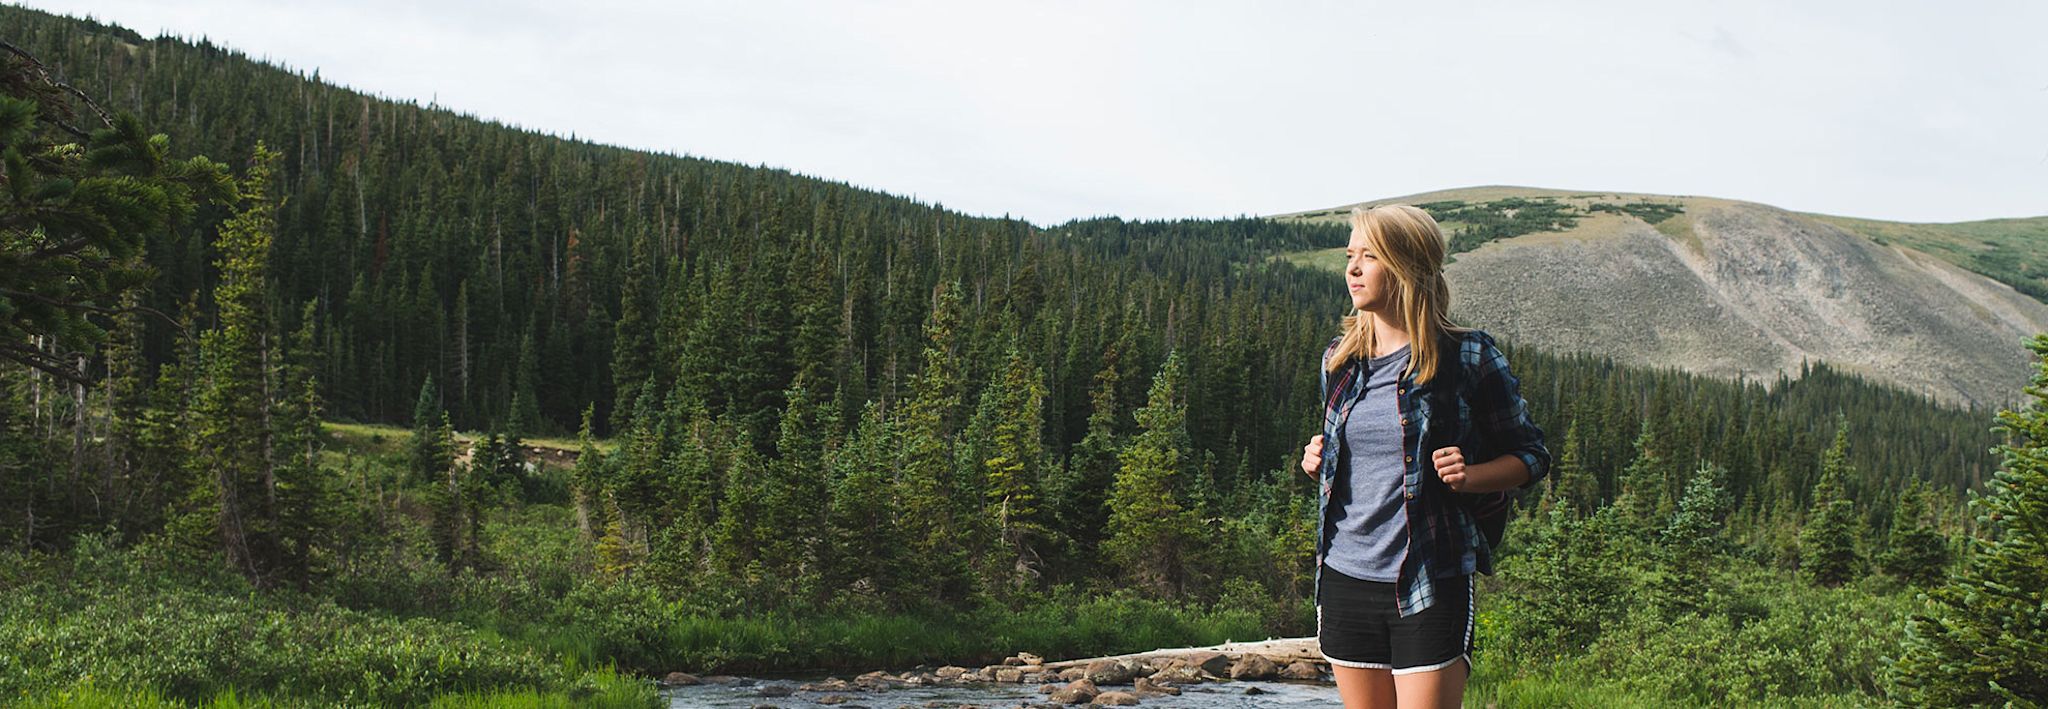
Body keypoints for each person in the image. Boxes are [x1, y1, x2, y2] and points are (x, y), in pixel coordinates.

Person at [1298, 204, 1551, 708]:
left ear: (1407, 266)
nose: (1352, 269)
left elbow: (1531, 455)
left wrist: (1472, 476)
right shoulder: (1339, 359)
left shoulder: (1469, 356)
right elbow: (1361, 461)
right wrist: (1317, 459)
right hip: (1345, 577)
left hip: (1429, 579)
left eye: (1370, 256)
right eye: (1351, 255)